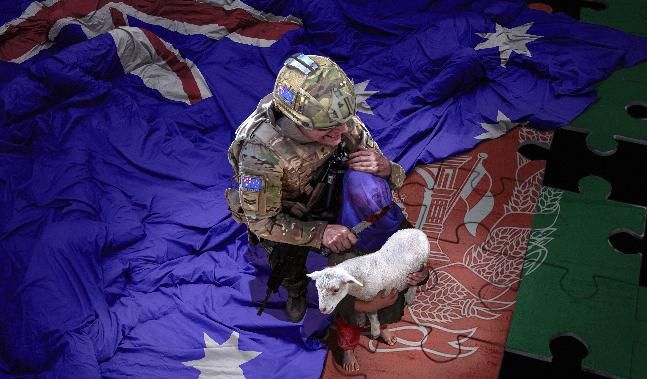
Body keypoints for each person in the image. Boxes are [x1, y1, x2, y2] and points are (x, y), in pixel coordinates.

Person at [225, 54, 428, 367]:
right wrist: (319, 233)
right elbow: (263, 223)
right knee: (286, 261)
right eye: (328, 129)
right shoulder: (261, 154)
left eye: (344, 122)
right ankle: (294, 288)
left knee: (369, 185)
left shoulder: (333, 117)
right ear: (297, 122)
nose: (342, 131)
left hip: (333, 193)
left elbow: (383, 173)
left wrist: (388, 169)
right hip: (291, 217)